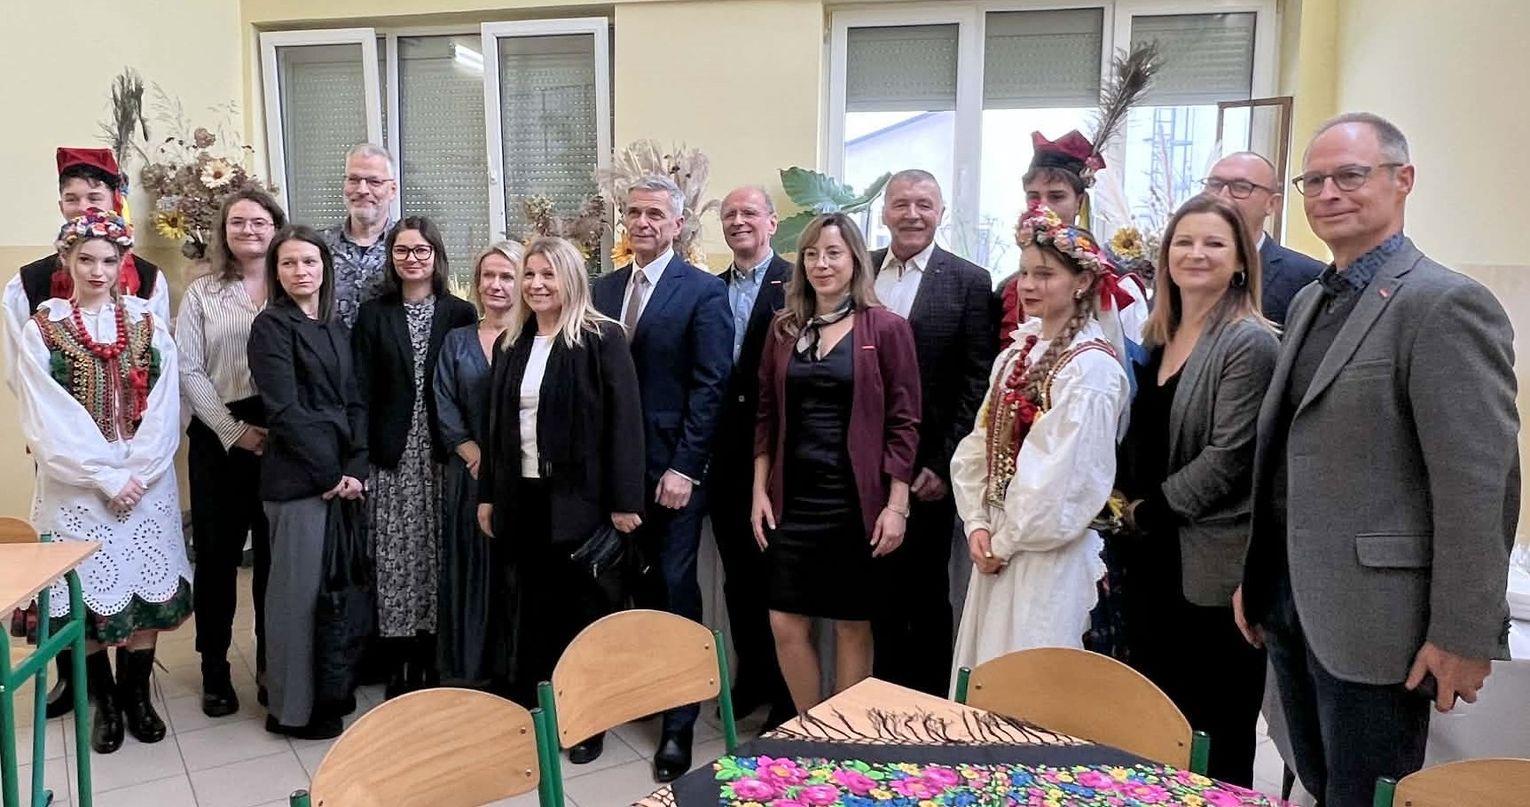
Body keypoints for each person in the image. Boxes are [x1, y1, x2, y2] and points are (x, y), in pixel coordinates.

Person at [1236, 113, 1518, 807]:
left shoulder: (1444, 304)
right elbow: (1289, 456)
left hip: (1379, 625)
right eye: (1314, 181)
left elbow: (1478, 486)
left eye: (1351, 176)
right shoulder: (1311, 299)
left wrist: (1464, 633)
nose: (1329, 193)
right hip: (1292, 604)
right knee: (1318, 783)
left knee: (1368, 795)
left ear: (1403, 180)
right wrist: (1258, 574)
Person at [1113, 194, 1278, 786]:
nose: (1196, 253)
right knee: (1157, 724)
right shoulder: (1161, 334)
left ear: (1240, 262)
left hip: (1208, 566)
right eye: (1183, 242)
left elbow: (1230, 457)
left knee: (1214, 731)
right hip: (1150, 559)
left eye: (1214, 243)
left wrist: (1147, 511)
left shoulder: (1249, 342)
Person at [3, 147, 171, 720]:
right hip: (73, 473)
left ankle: (137, 695)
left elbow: (165, 399)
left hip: (144, 475)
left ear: (122, 259)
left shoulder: (147, 315)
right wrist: (99, 473)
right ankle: (99, 698)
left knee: (147, 581)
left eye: (107, 260)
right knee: (84, 583)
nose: (97, 271)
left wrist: (138, 470)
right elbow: (39, 398)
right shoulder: (40, 317)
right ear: (67, 258)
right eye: (85, 259)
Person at [476, 236, 645, 749]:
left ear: (570, 279)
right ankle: (538, 711)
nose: (536, 284)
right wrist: (488, 495)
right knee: (532, 609)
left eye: (548, 274)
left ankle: (586, 720)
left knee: (582, 613)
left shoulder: (601, 338)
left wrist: (625, 502)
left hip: (580, 501)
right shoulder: (512, 344)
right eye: (529, 274)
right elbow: (495, 430)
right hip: (522, 498)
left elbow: (625, 424)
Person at [590, 175, 732, 781]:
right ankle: (618, 699)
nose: (642, 222)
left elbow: (711, 386)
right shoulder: (602, 288)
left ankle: (678, 723)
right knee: (612, 591)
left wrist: (686, 468)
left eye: (655, 214)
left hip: (672, 473)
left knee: (674, 589)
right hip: (610, 473)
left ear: (677, 223)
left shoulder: (702, 291)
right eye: (634, 212)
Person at [949, 203, 1130, 676]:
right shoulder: (1017, 354)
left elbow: (1063, 479)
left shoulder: (1090, 369)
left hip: (1046, 559)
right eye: (1025, 273)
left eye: (1045, 274)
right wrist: (977, 524)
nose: (1028, 285)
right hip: (998, 545)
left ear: (1082, 281)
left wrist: (1006, 542)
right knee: (988, 674)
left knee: (1030, 678)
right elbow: (979, 445)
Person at [752, 212, 921, 712]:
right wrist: (758, 491)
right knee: (785, 620)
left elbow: (905, 422)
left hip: (855, 502)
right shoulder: (784, 329)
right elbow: (766, 415)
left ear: (855, 261)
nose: (821, 264)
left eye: (833, 253)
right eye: (811, 254)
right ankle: (812, 730)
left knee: (851, 623)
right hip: (793, 499)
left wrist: (897, 505)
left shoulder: (886, 328)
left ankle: (844, 737)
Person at [865, 170, 994, 697]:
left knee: (924, 595)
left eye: (924, 204)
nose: (912, 214)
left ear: (941, 212)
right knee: (872, 595)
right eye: (901, 204)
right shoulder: (860, 269)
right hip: (861, 467)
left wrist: (943, 463)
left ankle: (928, 707)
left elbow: (977, 381)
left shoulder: (969, 281)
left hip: (927, 472)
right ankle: (878, 703)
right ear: (885, 212)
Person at [248, 225, 368, 740]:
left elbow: (355, 400)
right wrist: (330, 473)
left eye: (310, 262)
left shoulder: (334, 325)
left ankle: (327, 693)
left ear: (325, 268)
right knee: (294, 601)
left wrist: (357, 467)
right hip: (300, 481)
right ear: (276, 272)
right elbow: (284, 410)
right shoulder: (271, 327)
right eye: (290, 263)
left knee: (328, 598)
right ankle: (291, 711)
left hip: (340, 477)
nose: (301, 271)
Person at [352, 216, 478, 698]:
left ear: (436, 257)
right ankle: (398, 660)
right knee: (394, 556)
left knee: (438, 553)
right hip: (392, 455)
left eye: (421, 250)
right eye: (402, 251)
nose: (412, 259)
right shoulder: (374, 314)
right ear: (391, 258)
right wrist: (359, 459)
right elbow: (360, 391)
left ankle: (432, 656)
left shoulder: (460, 313)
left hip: (444, 453)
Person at [175, 186, 287, 718]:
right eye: (238, 222)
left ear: (276, 227)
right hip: (219, 435)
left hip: (282, 434)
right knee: (218, 558)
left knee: (273, 557)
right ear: (223, 231)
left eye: (259, 221)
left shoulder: (293, 284)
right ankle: (214, 667)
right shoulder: (203, 293)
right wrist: (232, 429)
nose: (249, 230)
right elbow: (188, 368)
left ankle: (270, 662)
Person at [707, 186, 794, 727]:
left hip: (779, 454)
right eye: (730, 214)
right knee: (738, 577)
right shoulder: (709, 289)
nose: (739, 221)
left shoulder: (797, 283)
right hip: (724, 455)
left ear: (772, 222)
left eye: (749, 212)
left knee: (776, 576)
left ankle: (787, 691)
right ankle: (752, 678)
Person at [433, 240, 523, 687]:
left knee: (516, 574)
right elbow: (443, 402)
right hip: (469, 475)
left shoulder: (535, 338)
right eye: (489, 275)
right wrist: (474, 454)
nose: (496, 285)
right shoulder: (457, 340)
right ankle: (469, 673)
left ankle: (515, 672)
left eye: (507, 276)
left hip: (522, 478)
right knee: (472, 571)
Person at [995, 133, 1148, 351]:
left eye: (1056, 196)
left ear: (1079, 202)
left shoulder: (1119, 287)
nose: (1044, 207)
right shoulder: (1010, 290)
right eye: (1034, 197)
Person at [1202, 152, 1325, 326]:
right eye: (1214, 185)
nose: (1222, 196)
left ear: (1272, 204)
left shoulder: (1309, 279)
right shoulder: (1181, 268)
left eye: (1241, 187)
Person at [322, 143, 398, 328]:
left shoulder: (408, 247)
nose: (362, 190)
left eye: (374, 182)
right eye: (354, 180)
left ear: (393, 190)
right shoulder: (319, 246)